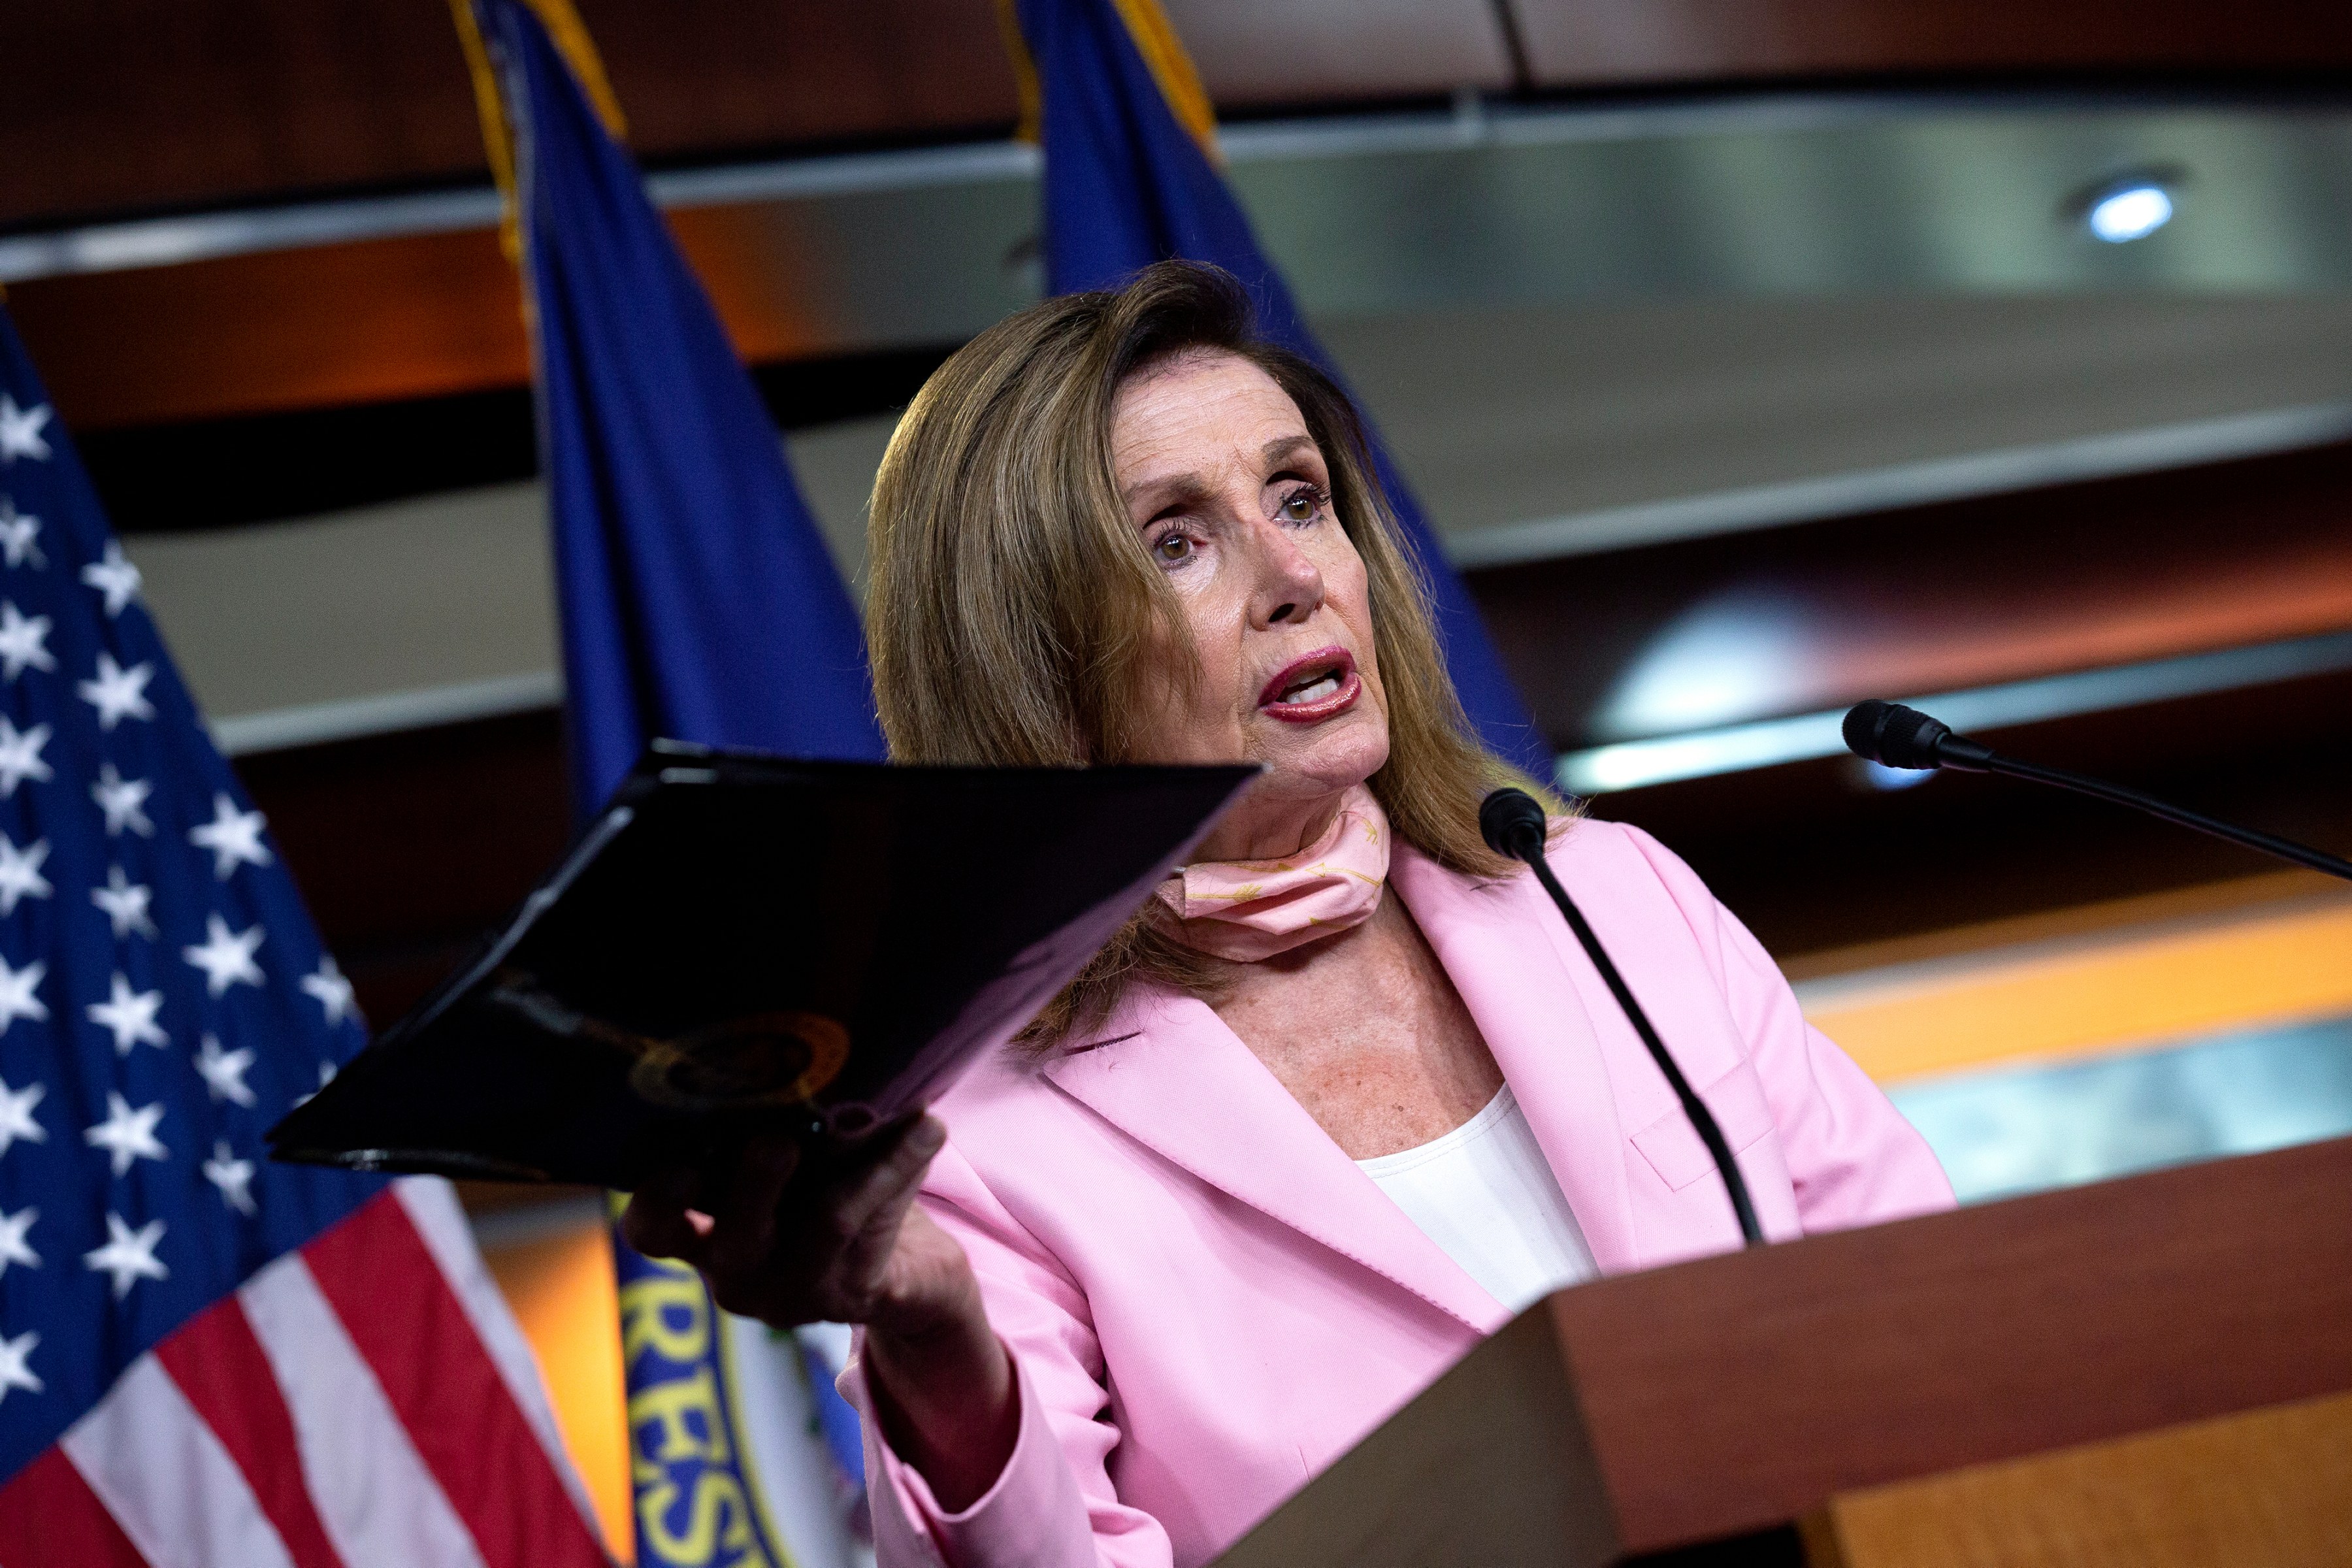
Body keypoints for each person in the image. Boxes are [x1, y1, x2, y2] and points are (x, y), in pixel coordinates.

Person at [623, 261, 1954, 1567]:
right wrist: (940, 1353)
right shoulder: (972, 1140)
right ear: (1034, 658)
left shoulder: (1605, 897)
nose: (1290, 574)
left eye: (1300, 498)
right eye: (1175, 539)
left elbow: (1932, 1313)